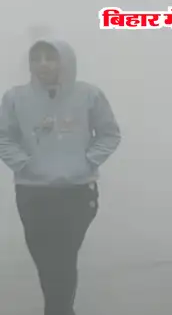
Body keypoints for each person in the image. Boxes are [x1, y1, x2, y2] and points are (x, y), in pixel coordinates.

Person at [0, 38, 121, 315]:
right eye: (37, 58)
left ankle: (58, 310)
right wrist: (23, 164)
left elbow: (109, 134)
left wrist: (86, 162)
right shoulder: (15, 98)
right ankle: (59, 308)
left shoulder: (89, 95)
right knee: (45, 260)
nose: (43, 64)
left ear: (65, 61)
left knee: (63, 257)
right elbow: (4, 137)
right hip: (33, 191)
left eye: (50, 57)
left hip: (77, 191)